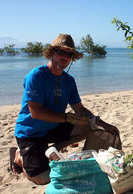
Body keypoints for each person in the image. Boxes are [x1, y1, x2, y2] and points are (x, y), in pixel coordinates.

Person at [10, 34, 120, 185]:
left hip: (53, 128)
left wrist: (102, 123)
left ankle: (53, 149)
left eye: (69, 54)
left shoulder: (69, 81)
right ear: (52, 53)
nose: (65, 57)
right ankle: (19, 156)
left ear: (72, 58)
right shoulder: (36, 76)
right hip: (30, 132)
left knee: (89, 126)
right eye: (61, 52)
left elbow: (79, 108)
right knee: (43, 179)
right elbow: (36, 112)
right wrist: (66, 117)